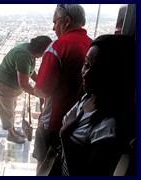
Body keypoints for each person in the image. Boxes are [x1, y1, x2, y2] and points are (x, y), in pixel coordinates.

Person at [59, 34, 136, 175]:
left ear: (116, 75)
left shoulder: (108, 126)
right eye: (86, 65)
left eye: (99, 70)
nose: (86, 74)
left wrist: (64, 135)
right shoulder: (89, 97)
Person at [33, 4, 93, 175]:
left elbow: (43, 90)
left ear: (67, 21)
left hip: (54, 123)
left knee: (44, 167)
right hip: (81, 122)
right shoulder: (94, 46)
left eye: (55, 22)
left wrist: (35, 88)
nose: (53, 27)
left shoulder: (57, 47)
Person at [0, 36, 52, 144]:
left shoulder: (29, 52)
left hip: (10, 86)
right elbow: (24, 84)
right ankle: (11, 135)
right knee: (7, 112)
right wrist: (40, 94)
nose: (43, 56)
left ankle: (13, 131)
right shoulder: (23, 55)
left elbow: (31, 71)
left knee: (12, 109)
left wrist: (40, 83)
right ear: (41, 50)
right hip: (3, 85)